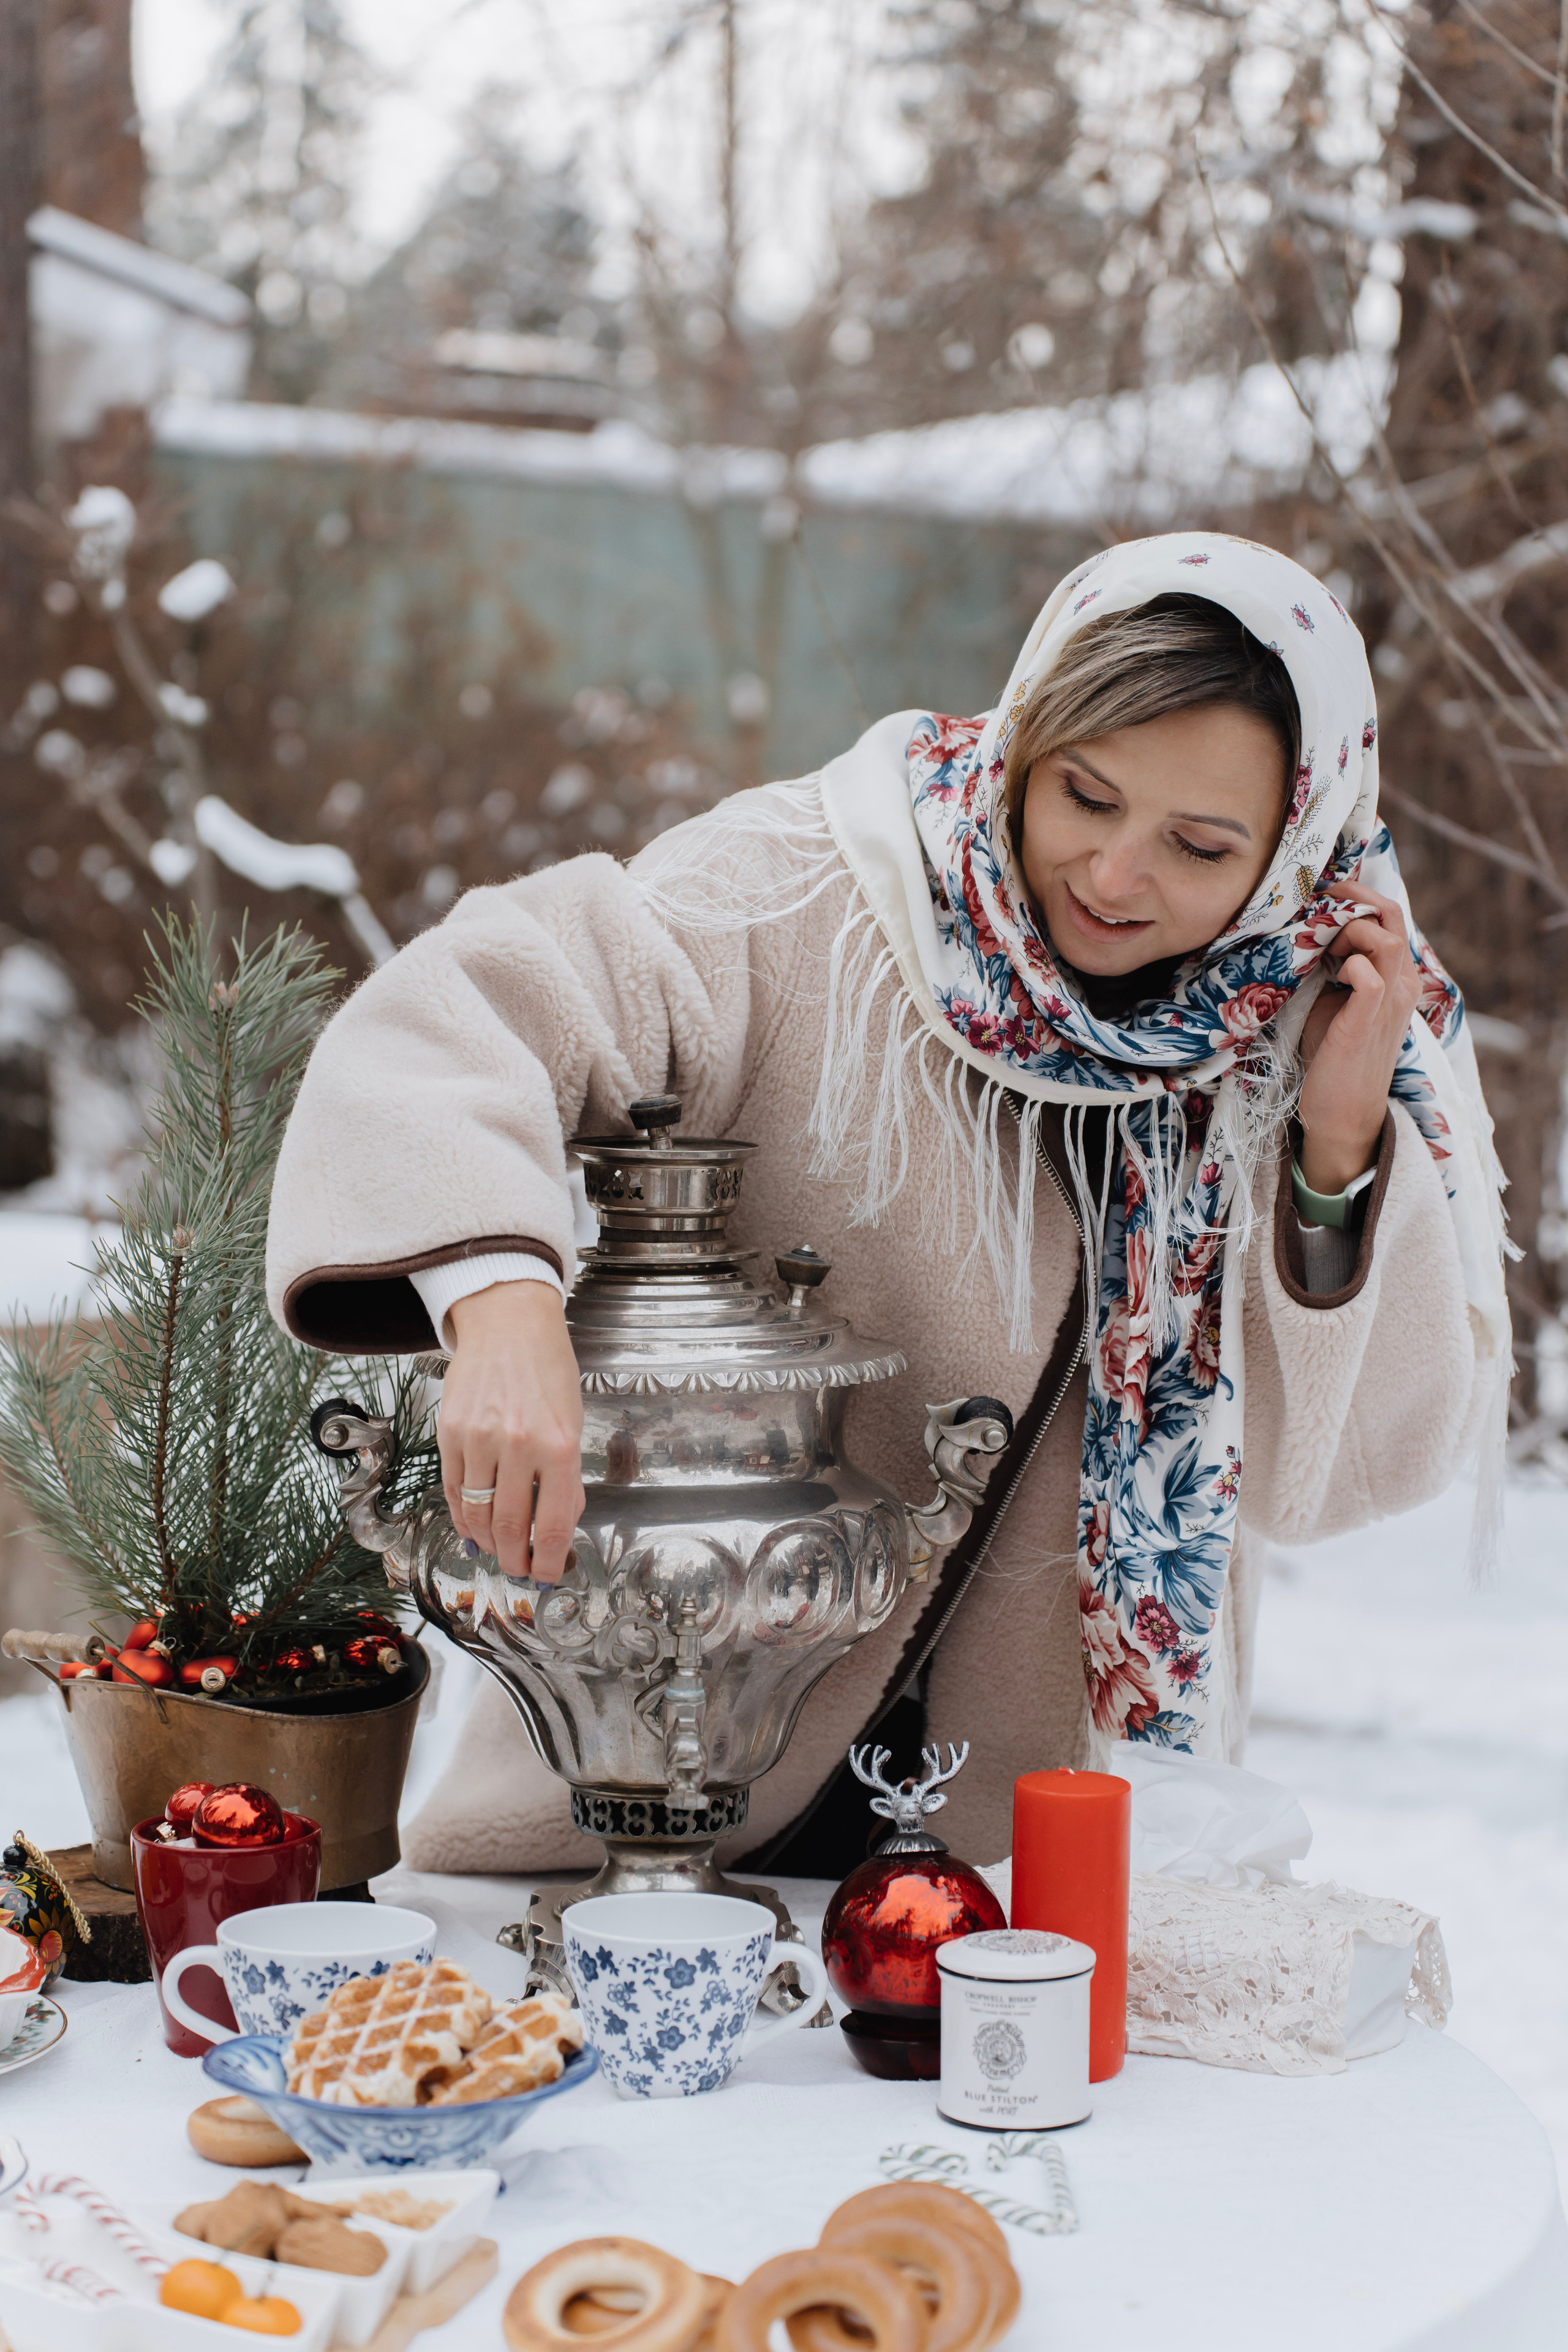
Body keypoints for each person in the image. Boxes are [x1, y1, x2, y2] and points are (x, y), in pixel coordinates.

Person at [266, 531, 1509, 1875]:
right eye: (1083, 796)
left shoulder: (1296, 1024)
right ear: (1023, 736)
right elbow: (456, 1019)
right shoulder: (803, 893)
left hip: (1030, 1855)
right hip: (643, 1798)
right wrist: (501, 1307)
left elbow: (1340, 1474)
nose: (1113, 876)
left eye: (1198, 846)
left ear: (1292, 850)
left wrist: (1335, 1148)